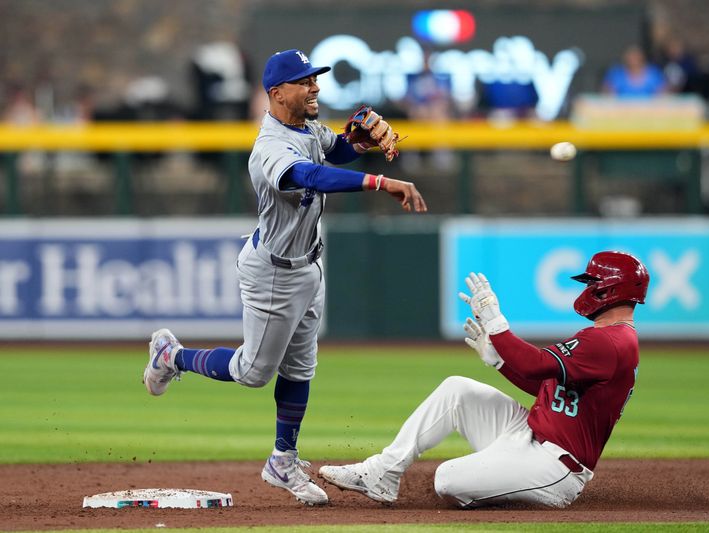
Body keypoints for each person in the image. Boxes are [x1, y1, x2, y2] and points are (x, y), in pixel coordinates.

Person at [142, 49, 427, 506]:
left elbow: (333, 149)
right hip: (273, 273)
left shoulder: (307, 127)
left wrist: (358, 143)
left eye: (315, 78)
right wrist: (378, 181)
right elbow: (309, 173)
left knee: (300, 368)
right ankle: (171, 354)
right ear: (277, 94)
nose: (314, 86)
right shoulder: (270, 147)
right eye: (304, 81)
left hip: (308, 263)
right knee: (252, 372)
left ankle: (282, 459)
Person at [320, 251, 648, 508]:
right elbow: (546, 386)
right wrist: (500, 362)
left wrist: (496, 321)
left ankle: (526, 492)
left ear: (610, 288)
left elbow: (534, 364)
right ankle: (383, 473)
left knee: (447, 480)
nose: (586, 288)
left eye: (591, 282)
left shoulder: (610, 342)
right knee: (457, 389)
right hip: (530, 433)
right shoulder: (611, 338)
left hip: (555, 466)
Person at [602, 45, 667, 98]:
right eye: (631, 56)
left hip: (649, 111)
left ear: (642, 57)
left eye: (636, 56)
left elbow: (663, 95)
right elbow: (607, 96)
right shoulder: (616, 74)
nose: (633, 59)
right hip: (621, 110)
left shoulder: (653, 73)